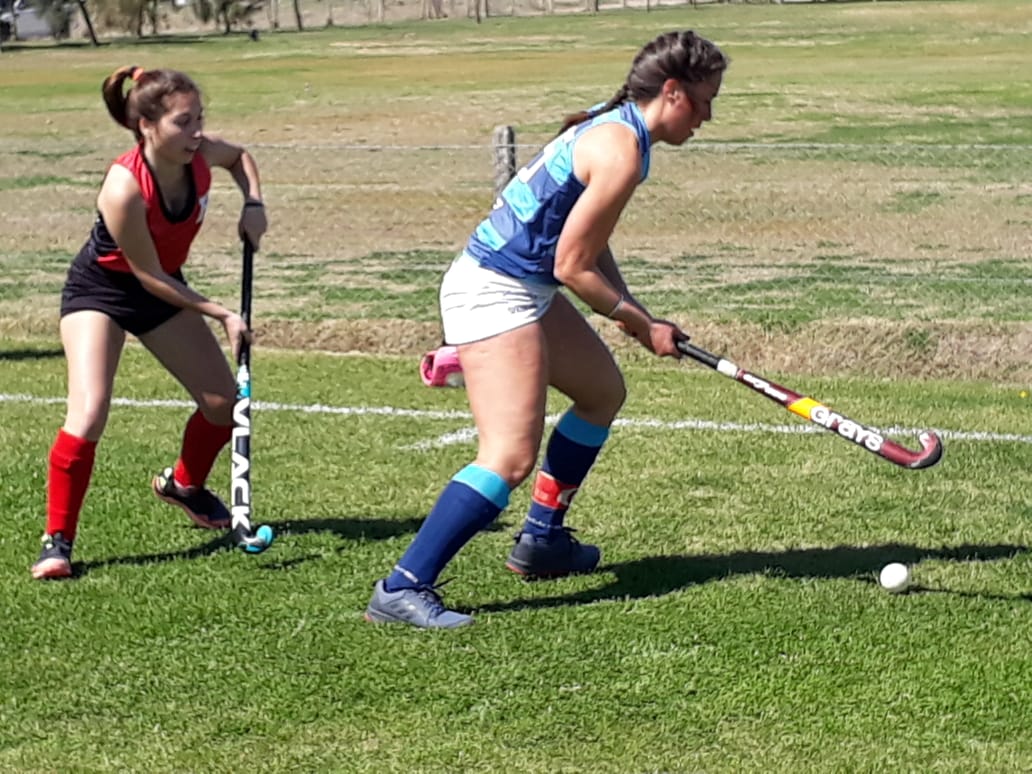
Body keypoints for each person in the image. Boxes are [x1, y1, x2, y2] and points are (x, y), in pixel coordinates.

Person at [365, 30, 729, 627]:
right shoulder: (620, 150)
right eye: (704, 100)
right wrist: (638, 323)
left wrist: (636, 312)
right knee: (508, 457)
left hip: (523, 288)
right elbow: (572, 266)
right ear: (672, 91)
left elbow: (587, 241)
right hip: (495, 291)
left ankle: (542, 540)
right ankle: (402, 586)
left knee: (601, 393)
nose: (707, 117)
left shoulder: (617, 132)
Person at [31, 65, 268, 579]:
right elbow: (148, 275)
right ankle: (57, 542)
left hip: (160, 290)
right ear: (147, 126)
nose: (197, 132)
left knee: (223, 405)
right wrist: (221, 313)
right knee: (88, 413)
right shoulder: (124, 188)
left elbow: (240, 157)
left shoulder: (199, 153)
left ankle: (184, 485)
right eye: (184, 122)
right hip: (102, 292)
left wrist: (253, 203)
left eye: (200, 118)